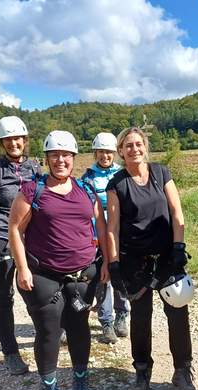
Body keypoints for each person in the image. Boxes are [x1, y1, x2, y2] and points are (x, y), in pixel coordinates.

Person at [8, 130, 108, 390]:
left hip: (81, 275)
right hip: (43, 275)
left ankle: (80, 379)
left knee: (79, 328)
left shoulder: (85, 190)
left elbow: (100, 227)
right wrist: (22, 268)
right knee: (49, 330)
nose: (60, 160)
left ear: (74, 158)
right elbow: (15, 229)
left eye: (66, 155)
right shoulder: (33, 190)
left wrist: (107, 263)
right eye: (55, 155)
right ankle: (49, 387)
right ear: (47, 158)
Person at [105, 127, 196, 390]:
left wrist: (179, 246)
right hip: (135, 262)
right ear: (121, 151)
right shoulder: (117, 184)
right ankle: (142, 371)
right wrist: (114, 263)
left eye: (138, 144)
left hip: (168, 257)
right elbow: (113, 228)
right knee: (141, 318)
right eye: (128, 146)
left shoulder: (161, 173)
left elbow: (176, 211)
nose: (134, 149)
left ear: (145, 146)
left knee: (178, 315)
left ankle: (182, 370)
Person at [0, 116, 41, 375]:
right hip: (1, 239)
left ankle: (46, 337)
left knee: (36, 291)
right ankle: (11, 352)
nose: (14, 143)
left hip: (30, 238)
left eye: (18, 139)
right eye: (9, 139)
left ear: (25, 141)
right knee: (3, 297)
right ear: (2, 142)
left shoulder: (34, 168)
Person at [80, 131, 129, 344]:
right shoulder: (87, 177)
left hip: (121, 234)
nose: (104, 156)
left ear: (114, 153)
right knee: (103, 277)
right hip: (98, 235)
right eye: (100, 152)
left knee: (122, 275)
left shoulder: (123, 174)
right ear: (95, 153)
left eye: (108, 152)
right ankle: (106, 321)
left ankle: (122, 315)